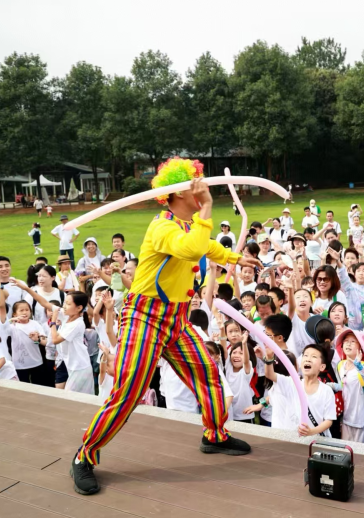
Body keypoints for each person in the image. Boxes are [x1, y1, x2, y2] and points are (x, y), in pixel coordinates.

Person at [71, 158, 257, 496]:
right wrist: (208, 206)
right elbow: (192, 248)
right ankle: (85, 455)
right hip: (144, 318)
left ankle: (214, 435)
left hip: (177, 319)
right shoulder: (162, 227)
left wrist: (234, 257)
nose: (202, 189)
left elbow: (205, 245)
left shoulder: (187, 225)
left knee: (208, 373)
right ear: (179, 192)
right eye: (196, 184)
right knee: (129, 391)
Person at [265, 343, 336, 437]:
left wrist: (312, 431)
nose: (308, 359)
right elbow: (269, 374)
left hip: (316, 440)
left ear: (322, 367)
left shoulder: (326, 391)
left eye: (314, 357)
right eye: (305, 355)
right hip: (295, 440)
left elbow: (329, 420)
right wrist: (269, 358)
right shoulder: (291, 383)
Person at [334, 329, 364, 443]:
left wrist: (359, 367)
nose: (348, 344)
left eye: (353, 341)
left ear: (360, 347)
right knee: (346, 450)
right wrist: (333, 386)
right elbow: (343, 386)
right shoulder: (340, 365)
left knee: (362, 452)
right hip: (346, 419)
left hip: (362, 420)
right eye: (346, 341)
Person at [50, 291, 94, 394]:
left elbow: (55, 340)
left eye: (68, 304)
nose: (64, 306)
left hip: (80, 367)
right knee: (80, 397)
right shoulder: (68, 316)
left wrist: (53, 321)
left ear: (79, 308)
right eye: (64, 302)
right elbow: (45, 303)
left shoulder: (77, 323)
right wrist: (27, 289)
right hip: (74, 366)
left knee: (72, 397)